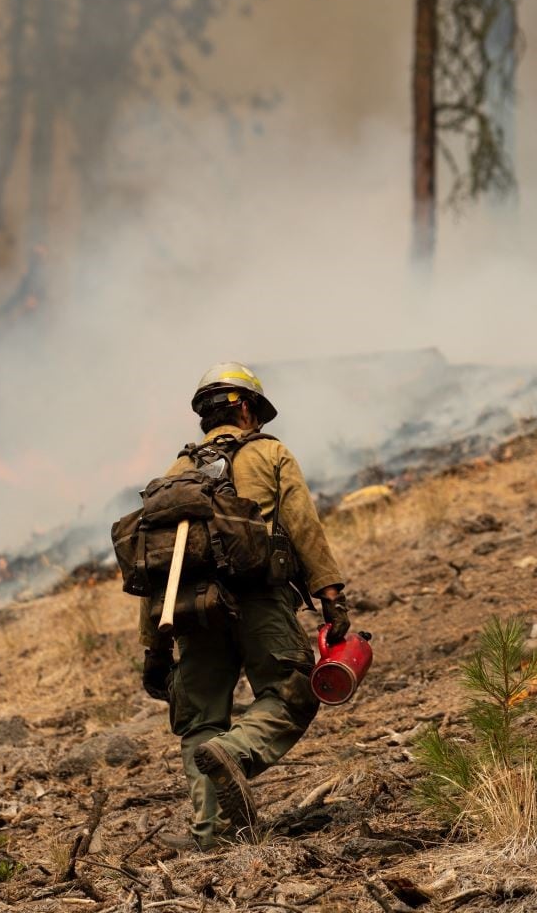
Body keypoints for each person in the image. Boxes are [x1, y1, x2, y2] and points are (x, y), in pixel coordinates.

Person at [140, 362, 350, 849]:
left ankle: (211, 833)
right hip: (260, 598)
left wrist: (152, 648)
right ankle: (236, 753)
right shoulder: (270, 453)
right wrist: (330, 596)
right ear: (250, 409)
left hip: (190, 610)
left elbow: (155, 568)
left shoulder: (173, 476)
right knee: (293, 693)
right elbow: (303, 528)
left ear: (204, 418)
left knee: (200, 719)